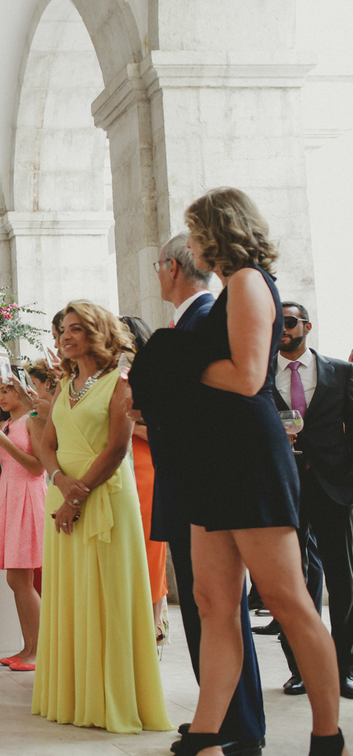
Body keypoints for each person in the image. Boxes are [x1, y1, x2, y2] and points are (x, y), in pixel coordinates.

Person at [135, 188, 343, 756]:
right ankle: (206, 730)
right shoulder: (229, 288)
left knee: (289, 600)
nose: (194, 244)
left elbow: (249, 376)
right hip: (213, 457)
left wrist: (177, 364)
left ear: (219, 230)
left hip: (249, 457)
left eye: (197, 231)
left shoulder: (250, 281)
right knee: (212, 601)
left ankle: (330, 736)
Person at [138, 231, 266, 753]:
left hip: (202, 480)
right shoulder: (189, 319)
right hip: (185, 478)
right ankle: (217, 715)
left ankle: (241, 726)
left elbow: (214, 401)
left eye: (157, 267)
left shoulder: (205, 318)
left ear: (171, 267)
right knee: (201, 606)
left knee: (219, 608)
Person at [32, 301, 170, 734]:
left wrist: (78, 494)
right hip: (64, 494)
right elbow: (47, 443)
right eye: (61, 331)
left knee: (109, 595)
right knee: (71, 594)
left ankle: (112, 697)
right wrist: (59, 481)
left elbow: (116, 447)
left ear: (97, 332)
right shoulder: (65, 385)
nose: (65, 337)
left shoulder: (120, 382)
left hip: (104, 495)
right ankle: (72, 695)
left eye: (75, 329)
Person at [269, 301, 353, 698]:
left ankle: (343, 667)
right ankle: (300, 668)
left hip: (334, 488)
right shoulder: (259, 374)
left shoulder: (341, 372)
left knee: (344, 579)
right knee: (291, 581)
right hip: (283, 488)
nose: (282, 329)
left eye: (288, 322)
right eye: (276, 323)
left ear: (307, 325)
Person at [0, 366, 46, 670]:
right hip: (9, 498)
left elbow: (38, 467)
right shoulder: (5, 425)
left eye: (7, 389)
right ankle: (28, 646)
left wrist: (1, 442)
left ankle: (39, 650)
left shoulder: (33, 420)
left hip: (29, 498)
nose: (2, 396)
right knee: (15, 579)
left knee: (21, 578)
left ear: (21, 387)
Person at [119, 316, 170, 646]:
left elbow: (166, 431)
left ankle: (152, 625)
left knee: (150, 546)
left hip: (146, 467)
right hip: (116, 469)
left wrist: (127, 422)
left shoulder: (153, 378)